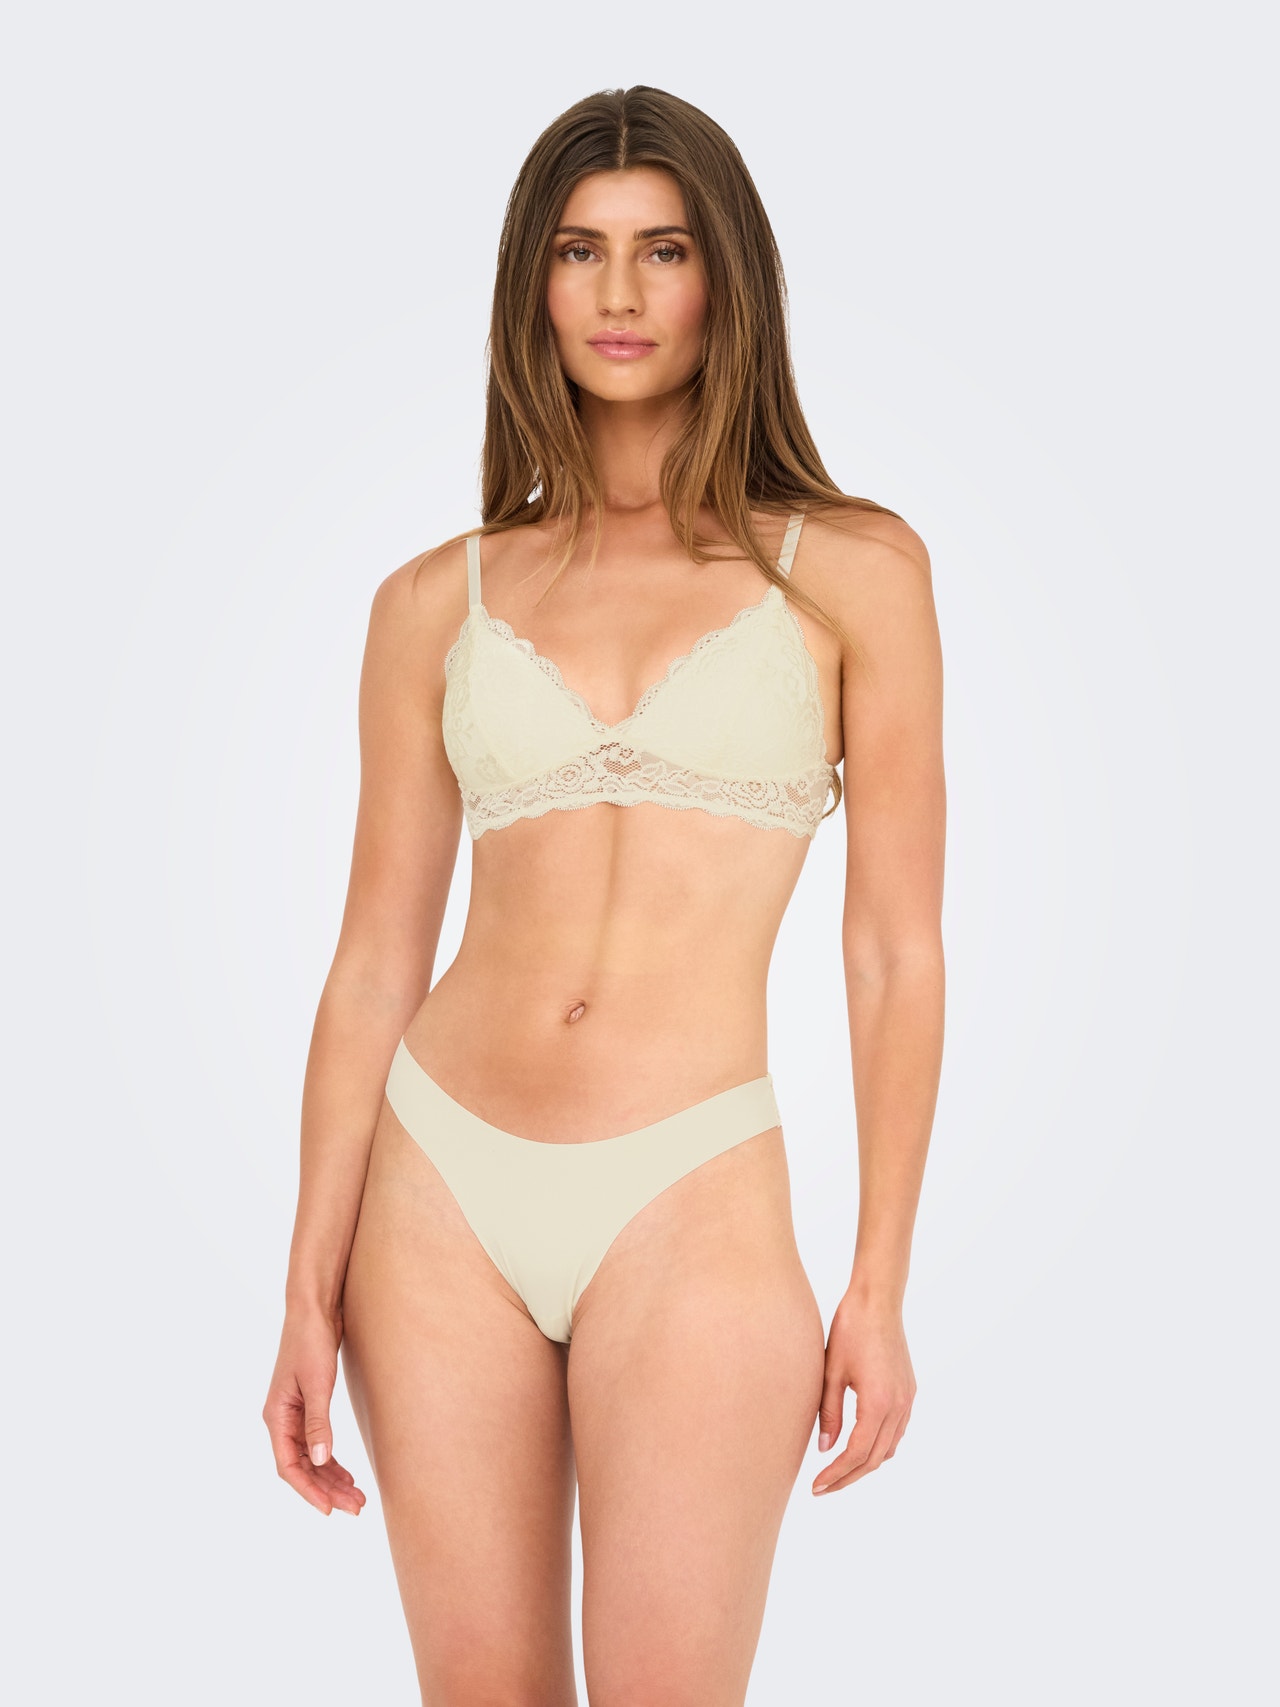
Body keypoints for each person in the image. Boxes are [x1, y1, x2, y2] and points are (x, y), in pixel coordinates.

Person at [263, 84, 946, 1706]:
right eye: (579, 252)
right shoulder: (432, 600)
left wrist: (881, 1278)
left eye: (665, 250)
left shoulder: (854, 572)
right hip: (437, 1183)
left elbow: (894, 951)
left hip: (692, 1183)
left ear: (728, 281)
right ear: (534, 283)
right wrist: (303, 1282)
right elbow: (373, 962)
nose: (621, 294)